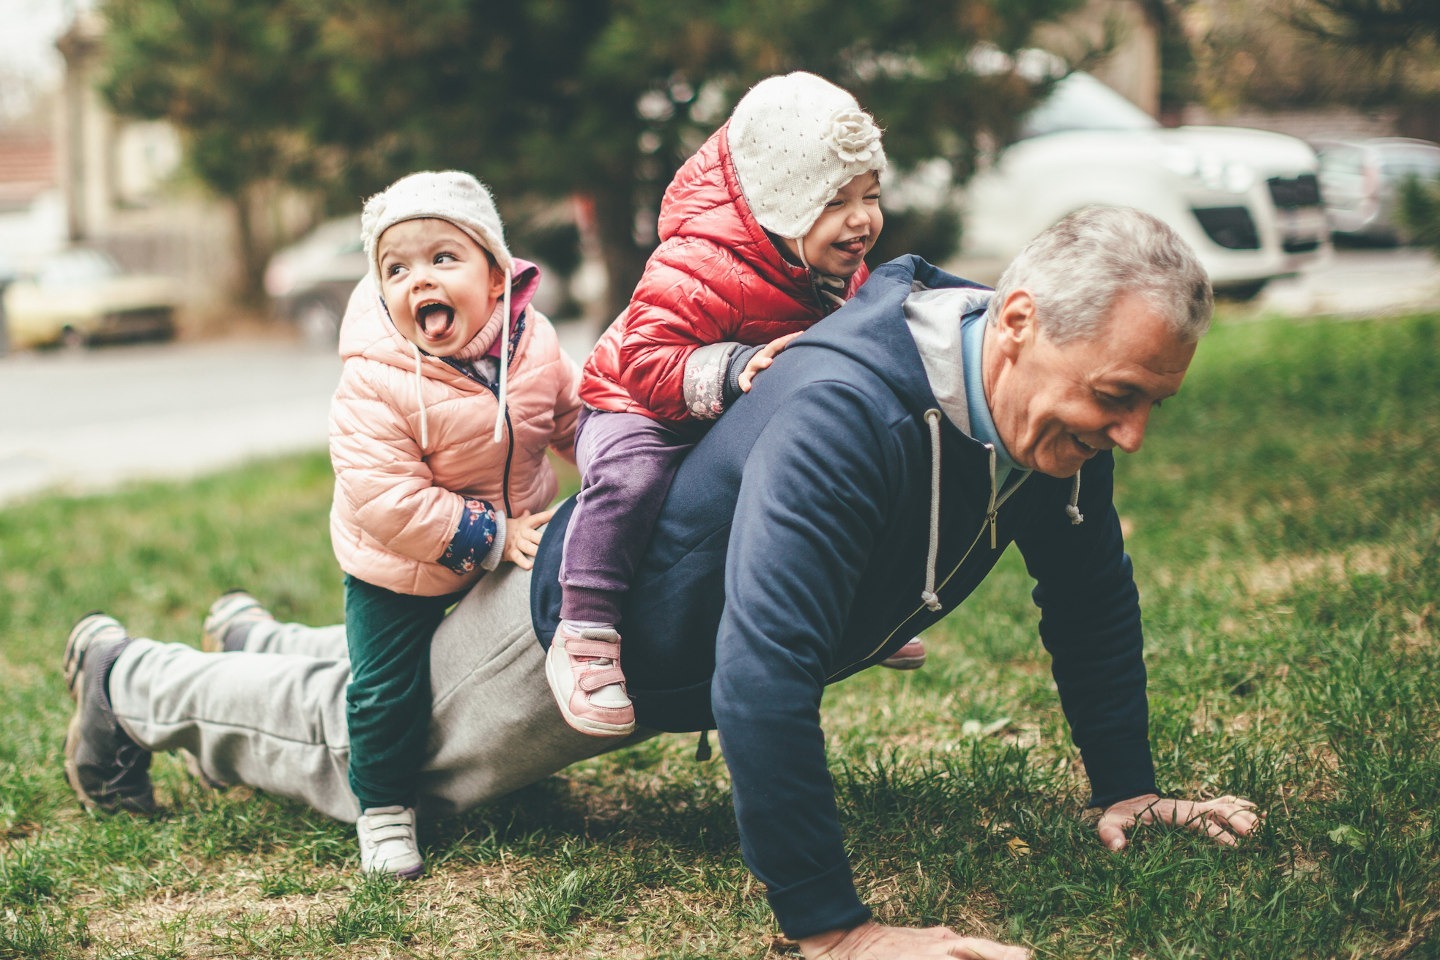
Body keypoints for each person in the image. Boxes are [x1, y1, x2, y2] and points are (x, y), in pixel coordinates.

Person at [61, 206, 1260, 960]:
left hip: (635, 634)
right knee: (364, 752)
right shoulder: (855, 409)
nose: (1134, 435)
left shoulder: (1038, 420)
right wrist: (834, 928)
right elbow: (762, 671)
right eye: (1117, 397)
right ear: (1018, 323)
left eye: (1153, 402)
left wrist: (1130, 787)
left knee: (385, 682)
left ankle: (263, 640)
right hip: (570, 637)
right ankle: (133, 683)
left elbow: (1090, 590)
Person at [550, 70, 919, 738]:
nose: (862, 218)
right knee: (631, 479)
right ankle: (585, 629)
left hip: (733, 408)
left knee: (830, 472)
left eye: (870, 193)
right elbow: (645, 360)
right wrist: (734, 368)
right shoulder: (693, 263)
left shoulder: (832, 267)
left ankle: (854, 605)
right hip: (639, 404)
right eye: (836, 200)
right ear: (779, 202)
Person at [324, 170, 580, 877]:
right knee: (387, 687)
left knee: (516, 650)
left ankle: (517, 759)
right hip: (397, 561)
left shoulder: (534, 344)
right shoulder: (376, 378)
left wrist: (613, 455)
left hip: (513, 529)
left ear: (498, 276)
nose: (419, 280)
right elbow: (386, 498)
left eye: (444, 258)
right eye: (396, 268)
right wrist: (494, 538)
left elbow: (569, 418)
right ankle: (382, 808)